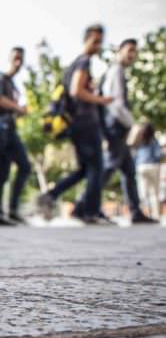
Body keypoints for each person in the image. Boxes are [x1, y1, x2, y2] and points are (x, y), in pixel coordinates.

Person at [73, 39, 157, 224]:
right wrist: (132, 124)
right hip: (115, 127)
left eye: (135, 51)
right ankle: (81, 205)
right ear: (120, 51)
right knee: (108, 167)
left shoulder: (116, 70)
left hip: (116, 126)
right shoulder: (116, 70)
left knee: (128, 170)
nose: (132, 55)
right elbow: (116, 104)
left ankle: (135, 211)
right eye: (129, 50)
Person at [37, 25, 114, 225]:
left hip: (76, 125)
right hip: (86, 123)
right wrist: (101, 100)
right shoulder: (83, 62)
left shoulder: (73, 65)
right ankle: (90, 212)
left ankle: (51, 195)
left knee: (84, 170)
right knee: (96, 167)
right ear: (86, 40)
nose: (98, 45)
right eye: (95, 41)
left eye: (100, 41)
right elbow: (76, 91)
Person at [0, 47, 31, 226]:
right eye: (15, 58)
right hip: (2, 130)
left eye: (21, 59)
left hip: (9, 129)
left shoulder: (13, 85)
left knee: (3, 171)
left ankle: (1, 211)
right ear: (9, 59)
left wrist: (20, 111)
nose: (18, 62)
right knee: (22, 166)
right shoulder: (0, 78)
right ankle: (4, 211)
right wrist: (18, 108)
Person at [134, 123, 162, 219]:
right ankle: (156, 215)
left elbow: (135, 156)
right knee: (154, 193)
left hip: (141, 166)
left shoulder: (139, 142)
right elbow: (158, 155)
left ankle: (143, 213)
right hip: (153, 166)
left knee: (143, 193)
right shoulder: (154, 141)